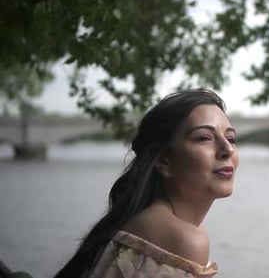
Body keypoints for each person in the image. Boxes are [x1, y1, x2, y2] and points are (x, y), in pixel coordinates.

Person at [54, 88, 239, 278]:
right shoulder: (184, 239)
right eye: (204, 138)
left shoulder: (142, 219)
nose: (228, 149)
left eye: (231, 138)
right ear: (163, 161)